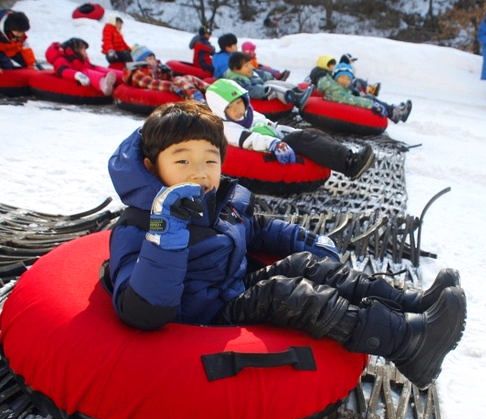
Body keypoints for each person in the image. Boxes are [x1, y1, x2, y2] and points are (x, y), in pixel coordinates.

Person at [107, 100, 467, 390]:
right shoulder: (138, 226)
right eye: (182, 160)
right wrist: (164, 232)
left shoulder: (218, 201)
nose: (198, 172)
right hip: (202, 317)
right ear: (152, 167)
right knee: (287, 294)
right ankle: (407, 343)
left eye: (210, 159)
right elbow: (143, 311)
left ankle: (410, 303)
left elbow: (257, 228)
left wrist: (306, 240)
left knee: (306, 266)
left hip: (235, 287)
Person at [206, 78, 374, 179]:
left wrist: (284, 131)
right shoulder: (227, 127)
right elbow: (250, 139)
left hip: (276, 139)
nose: (238, 109)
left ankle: (348, 157)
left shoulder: (248, 113)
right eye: (231, 107)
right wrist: (273, 144)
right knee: (299, 139)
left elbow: (267, 124)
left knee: (311, 134)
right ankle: (349, 164)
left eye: (239, 103)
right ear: (221, 110)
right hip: (265, 149)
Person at [318, 63, 412, 124]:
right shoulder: (335, 88)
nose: (345, 81)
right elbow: (349, 100)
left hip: (344, 103)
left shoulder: (334, 84)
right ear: (335, 77)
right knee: (370, 99)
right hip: (342, 108)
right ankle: (394, 113)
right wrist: (372, 104)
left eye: (348, 78)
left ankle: (394, 111)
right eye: (342, 77)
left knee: (368, 96)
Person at [224, 51, 313, 109]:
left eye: (250, 64)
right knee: (271, 86)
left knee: (273, 82)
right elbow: (249, 90)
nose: (250, 67)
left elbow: (261, 74)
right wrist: (265, 91)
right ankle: (295, 98)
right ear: (236, 69)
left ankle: (297, 91)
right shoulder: (237, 80)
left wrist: (271, 77)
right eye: (246, 66)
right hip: (257, 95)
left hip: (262, 88)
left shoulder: (247, 71)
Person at [124, 45, 209, 102]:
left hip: (167, 86)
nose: (153, 60)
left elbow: (168, 79)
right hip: (156, 90)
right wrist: (172, 86)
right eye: (150, 58)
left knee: (188, 78)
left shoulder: (155, 68)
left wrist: (167, 72)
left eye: (154, 58)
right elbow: (151, 83)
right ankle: (196, 98)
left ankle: (211, 89)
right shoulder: (136, 73)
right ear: (141, 61)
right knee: (179, 80)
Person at [45, 38, 119, 96]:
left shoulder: (80, 58)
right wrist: (77, 75)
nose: (85, 52)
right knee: (86, 72)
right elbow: (63, 70)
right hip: (75, 77)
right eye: (83, 49)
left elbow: (89, 67)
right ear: (76, 50)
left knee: (97, 68)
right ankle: (103, 83)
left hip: (85, 72)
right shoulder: (62, 58)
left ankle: (122, 76)